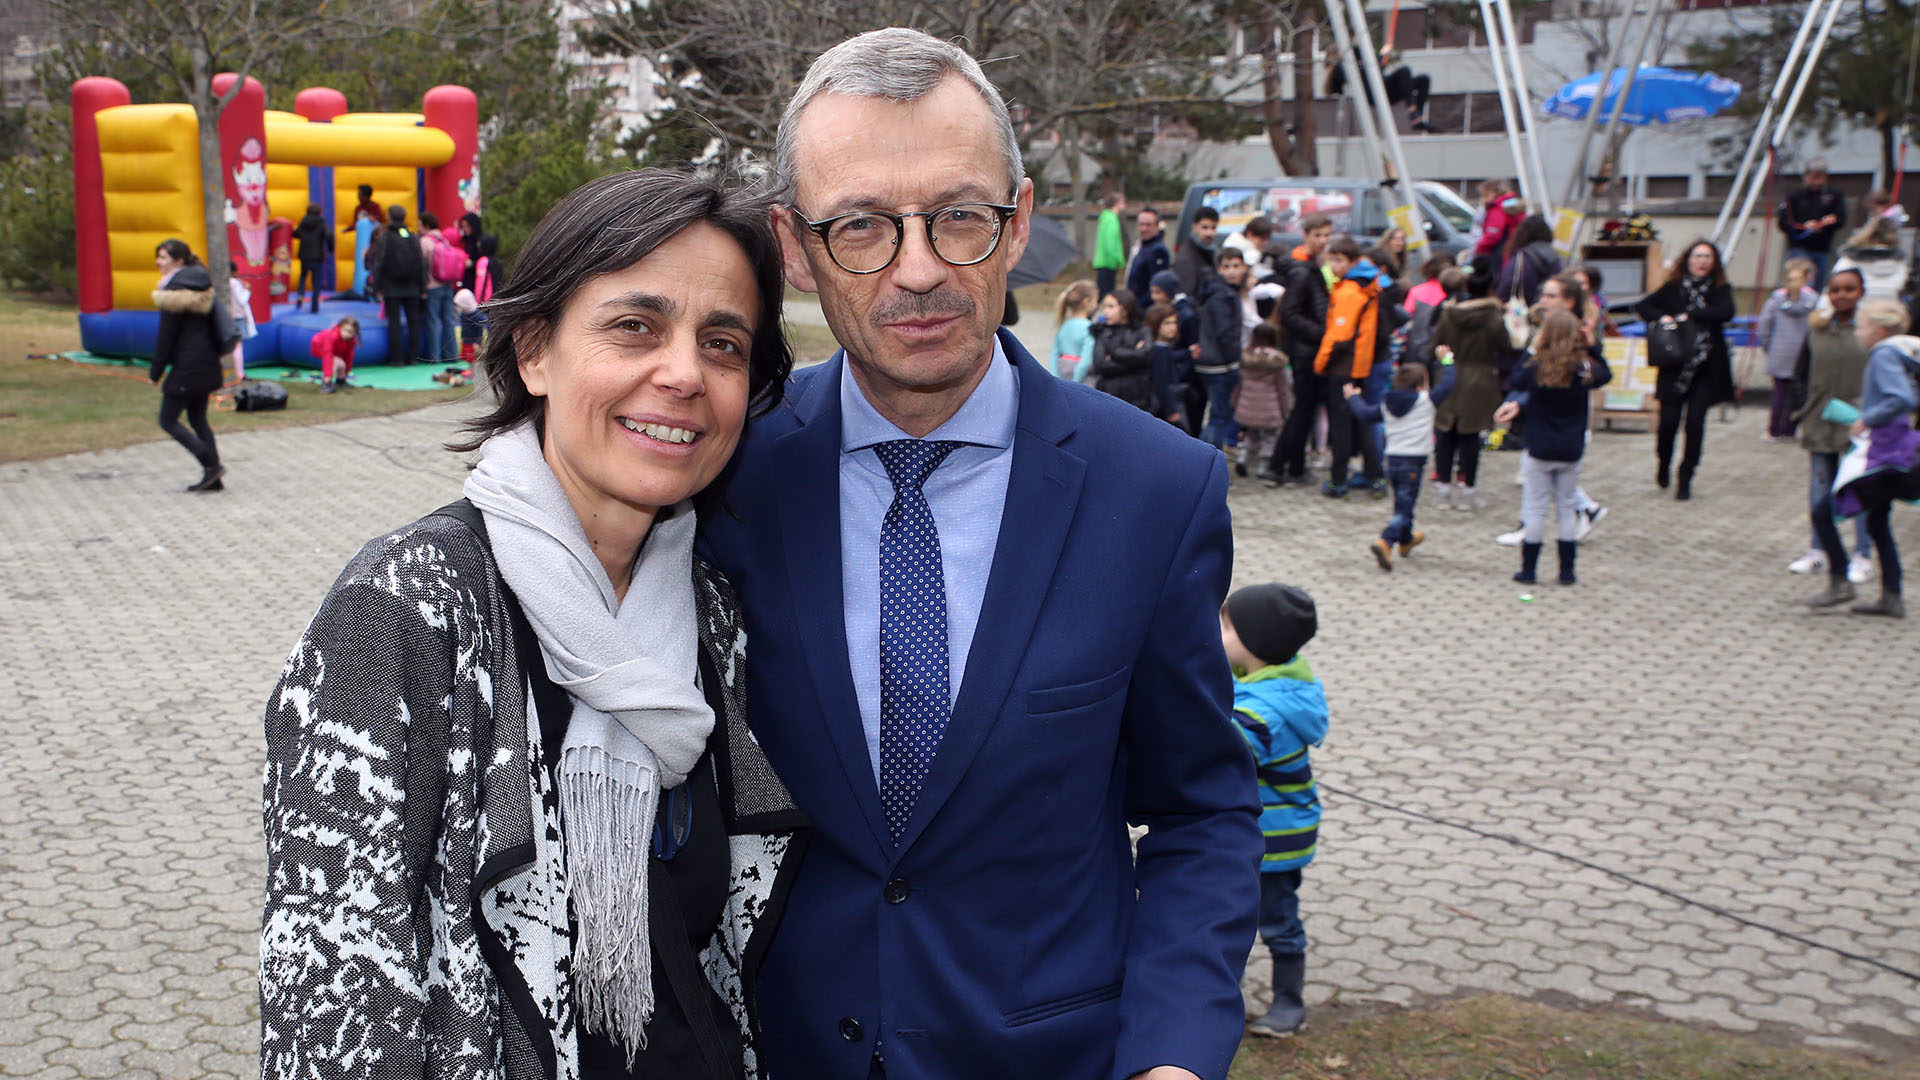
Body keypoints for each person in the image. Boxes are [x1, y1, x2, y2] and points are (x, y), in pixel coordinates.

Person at [701, 28, 1260, 1080]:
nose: (919, 270)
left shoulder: (1156, 489)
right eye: (861, 226)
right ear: (793, 246)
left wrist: (1175, 1054)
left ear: (1019, 224)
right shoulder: (727, 475)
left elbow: (1201, 808)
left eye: (959, 216)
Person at [258, 168, 807, 1080]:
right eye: (634, 326)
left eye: (723, 344)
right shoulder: (408, 605)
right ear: (532, 352)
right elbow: (331, 993)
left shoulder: (708, 613)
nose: (682, 373)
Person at [1219, 584, 1326, 1040]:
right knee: (1226, 916)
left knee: (1277, 922)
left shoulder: (1268, 710)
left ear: (1255, 643)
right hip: (1255, 833)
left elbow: (1222, 751)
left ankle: (1289, 1002)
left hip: (1273, 842)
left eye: (1225, 626)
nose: (1215, 632)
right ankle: (1223, 992)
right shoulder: (1264, 684)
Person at [1814, 298, 1920, 617]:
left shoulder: (1884, 353)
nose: (1858, 333)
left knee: (1823, 512)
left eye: (1862, 328)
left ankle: (1840, 582)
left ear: (1879, 331)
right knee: (1876, 519)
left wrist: (1868, 418)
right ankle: (1892, 595)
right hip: (1902, 452)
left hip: (1884, 456)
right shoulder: (1904, 350)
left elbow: (1901, 397)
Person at [1496, 310, 1612, 586]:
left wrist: (1533, 347)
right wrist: (1593, 344)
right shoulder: (1583, 370)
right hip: (1570, 448)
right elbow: (1605, 374)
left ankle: (1528, 570)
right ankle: (1567, 571)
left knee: (1535, 509)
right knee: (1566, 506)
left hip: (1539, 447)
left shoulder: (1537, 369)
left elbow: (1515, 379)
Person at [1790, 269, 1876, 587]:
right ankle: (1818, 550)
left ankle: (1862, 555)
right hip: (1819, 420)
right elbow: (1800, 372)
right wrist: (1803, 405)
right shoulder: (1817, 331)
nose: (1842, 295)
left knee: (1859, 489)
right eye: (1836, 289)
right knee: (1819, 488)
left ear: (1861, 292)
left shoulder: (1869, 332)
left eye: (1849, 289)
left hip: (1859, 423)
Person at [1636, 240, 1736, 501]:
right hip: (1675, 365)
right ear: (1688, 260)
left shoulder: (1719, 288)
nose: (1702, 261)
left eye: (1707, 256)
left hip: (1705, 366)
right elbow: (1644, 306)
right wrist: (1663, 319)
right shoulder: (1674, 288)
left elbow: (1726, 311)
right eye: (1697, 256)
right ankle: (1663, 462)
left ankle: (1686, 476)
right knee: (1668, 423)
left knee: (1695, 423)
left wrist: (1693, 315)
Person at [1348, 358, 1455, 569]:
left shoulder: (1386, 403)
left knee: (1403, 504)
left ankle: (1406, 540)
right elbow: (1448, 384)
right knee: (1404, 510)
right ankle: (1386, 540)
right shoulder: (1426, 400)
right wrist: (1447, 361)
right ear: (1421, 385)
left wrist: (1353, 398)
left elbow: (1364, 414)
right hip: (1413, 463)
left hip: (1393, 461)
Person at [148, 239, 233, 492]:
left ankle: (211, 465)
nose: (158, 262)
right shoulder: (202, 286)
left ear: (178, 261)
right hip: (207, 364)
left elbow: (166, 338)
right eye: (159, 257)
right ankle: (213, 479)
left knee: (168, 420)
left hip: (188, 367)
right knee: (198, 419)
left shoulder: (174, 294)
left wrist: (156, 372)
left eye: (163, 258)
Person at [1314, 237, 1385, 498]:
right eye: (1331, 259)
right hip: (1361, 366)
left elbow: (1338, 335)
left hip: (1343, 366)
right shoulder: (1369, 286)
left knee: (1341, 426)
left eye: (1339, 260)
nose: (1334, 265)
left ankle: (1338, 480)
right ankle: (1374, 476)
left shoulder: (1348, 291)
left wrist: (1320, 363)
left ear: (1353, 262)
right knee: (1362, 421)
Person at [1431, 261, 1504, 512]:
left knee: (1445, 432)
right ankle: (1468, 489)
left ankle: (1442, 487)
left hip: (1450, 374)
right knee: (1471, 436)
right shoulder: (1493, 317)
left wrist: (1447, 360)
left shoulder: (1449, 314)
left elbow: (1435, 344)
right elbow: (1504, 347)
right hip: (1481, 379)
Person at [1270, 213, 1336, 484]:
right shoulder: (1300, 269)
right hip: (1305, 350)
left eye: (1326, 235)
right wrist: (1322, 333)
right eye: (1318, 235)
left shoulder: (1308, 265)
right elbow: (1291, 314)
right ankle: (1284, 466)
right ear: (1306, 235)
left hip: (1307, 348)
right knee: (1302, 409)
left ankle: (1290, 465)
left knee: (1304, 409)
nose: (1323, 241)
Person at [1758, 258, 1819, 441]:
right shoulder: (1814, 301)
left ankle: (1774, 430)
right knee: (1796, 393)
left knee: (1779, 392)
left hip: (1779, 351)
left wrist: (1768, 345)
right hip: (1801, 354)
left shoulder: (1774, 301)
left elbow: (1765, 327)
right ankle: (1790, 429)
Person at [1195, 247, 1248, 448]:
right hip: (1220, 365)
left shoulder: (1220, 291)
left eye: (1236, 266)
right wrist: (1234, 361)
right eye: (1227, 267)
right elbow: (1225, 333)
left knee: (1216, 415)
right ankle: (1207, 463)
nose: (1232, 271)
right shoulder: (1222, 296)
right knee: (1217, 417)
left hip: (1213, 361)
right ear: (1219, 269)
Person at [369, 204, 425, 364]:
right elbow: (420, 263)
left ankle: (397, 358)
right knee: (413, 321)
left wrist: (376, 287)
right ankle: (414, 357)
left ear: (390, 217)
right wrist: (422, 286)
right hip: (412, 286)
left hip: (391, 287)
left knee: (394, 323)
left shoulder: (385, 238)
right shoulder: (412, 237)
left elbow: (379, 263)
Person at [1777, 158, 1846, 287]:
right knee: (1802, 280)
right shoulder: (1794, 196)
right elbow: (1783, 222)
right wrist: (1803, 226)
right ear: (1806, 176)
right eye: (1814, 177)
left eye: (1821, 177)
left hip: (1822, 247)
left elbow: (1841, 219)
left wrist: (1827, 223)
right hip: (1799, 246)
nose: (1817, 181)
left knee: (1819, 284)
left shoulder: (1834, 195)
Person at [1237, 322, 1289, 480]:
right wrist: (1286, 409)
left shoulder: (1247, 357)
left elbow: (1239, 384)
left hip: (1248, 404)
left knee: (1251, 433)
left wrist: (1235, 402)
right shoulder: (1276, 362)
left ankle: (1242, 457)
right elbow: (1283, 389)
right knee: (1269, 436)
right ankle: (1262, 466)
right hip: (1269, 407)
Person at [1089, 287, 1156, 410]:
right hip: (1109, 393)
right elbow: (1100, 364)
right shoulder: (1103, 332)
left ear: (1125, 309)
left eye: (1111, 307)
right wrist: (1134, 360)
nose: (1105, 311)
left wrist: (1114, 354)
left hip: (1137, 395)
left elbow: (1145, 355)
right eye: (1104, 307)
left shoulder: (1141, 331)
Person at [1826, 217, 1909, 304]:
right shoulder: (1900, 262)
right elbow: (1903, 285)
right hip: (1891, 310)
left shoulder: (1849, 259)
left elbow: (1834, 285)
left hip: (1855, 311)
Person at [419, 210, 464, 363]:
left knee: (433, 321)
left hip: (432, 286)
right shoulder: (444, 240)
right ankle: (451, 355)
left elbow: (422, 265)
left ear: (425, 225)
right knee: (449, 320)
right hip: (447, 285)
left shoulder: (425, 241)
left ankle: (435, 357)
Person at [1497, 214, 1563, 309]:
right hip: (1547, 313)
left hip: (1520, 315)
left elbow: (1506, 288)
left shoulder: (1520, 259)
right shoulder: (1556, 257)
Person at [459, 211, 501, 356]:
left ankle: (477, 348)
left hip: (484, 299)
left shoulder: (483, 261)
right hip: (494, 297)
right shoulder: (496, 261)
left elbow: (481, 283)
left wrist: (479, 300)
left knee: (478, 323)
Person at [1145, 303, 1192, 428]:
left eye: (1174, 323)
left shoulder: (1164, 348)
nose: (1172, 327)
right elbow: (1161, 382)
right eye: (1167, 323)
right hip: (1165, 404)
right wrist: (1171, 410)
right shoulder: (1159, 350)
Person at [1050, 279, 1098, 379]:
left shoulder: (1064, 325)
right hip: (1082, 378)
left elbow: (1054, 354)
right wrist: (1076, 382)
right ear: (1087, 302)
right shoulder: (1089, 327)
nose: (1097, 305)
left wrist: (1056, 377)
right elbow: (1086, 360)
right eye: (1096, 301)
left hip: (1061, 371)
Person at [293, 203, 332, 314]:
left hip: (304, 255)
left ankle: (300, 297)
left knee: (303, 276)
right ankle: (314, 306)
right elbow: (329, 235)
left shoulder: (303, 222)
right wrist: (330, 248)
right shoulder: (321, 223)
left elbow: (296, 234)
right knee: (316, 282)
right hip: (316, 256)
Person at [1175, 204, 1220, 297]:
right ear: (1194, 227)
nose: (1210, 233)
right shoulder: (1187, 257)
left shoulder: (1211, 252)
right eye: (1205, 227)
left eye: (1213, 228)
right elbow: (1187, 295)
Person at [1474, 181, 1523, 265]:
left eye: (1486, 195)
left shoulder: (1497, 209)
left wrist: (1479, 250)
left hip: (1499, 253)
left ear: (1496, 193)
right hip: (1513, 251)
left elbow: (1492, 236)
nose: (1484, 199)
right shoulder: (1512, 205)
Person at [308, 315, 360, 393]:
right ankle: (326, 384)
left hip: (334, 350)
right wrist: (328, 375)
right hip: (319, 345)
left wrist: (346, 371)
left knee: (341, 363)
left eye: (350, 332)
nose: (346, 334)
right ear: (340, 327)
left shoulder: (351, 340)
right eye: (344, 330)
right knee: (334, 362)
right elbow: (327, 355)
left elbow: (349, 356)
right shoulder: (333, 336)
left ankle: (340, 381)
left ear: (354, 333)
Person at [1094, 193, 1127, 298]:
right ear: (1116, 204)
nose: (1125, 204)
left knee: (1103, 294)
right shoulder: (1111, 219)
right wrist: (1117, 259)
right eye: (1122, 202)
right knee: (1104, 295)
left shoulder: (1106, 218)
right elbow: (1110, 242)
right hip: (1108, 263)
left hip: (1104, 262)